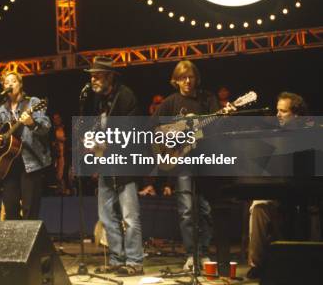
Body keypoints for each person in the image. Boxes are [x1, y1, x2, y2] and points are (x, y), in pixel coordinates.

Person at [153, 60, 231, 271]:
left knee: (205, 209)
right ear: (175, 80)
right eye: (182, 77)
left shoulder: (208, 99)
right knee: (186, 211)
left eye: (191, 77)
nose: (187, 81)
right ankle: (190, 255)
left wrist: (222, 117)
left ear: (196, 78)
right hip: (182, 162)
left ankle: (203, 252)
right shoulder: (170, 102)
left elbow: (216, 128)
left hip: (205, 161)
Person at [85, 56, 145, 276]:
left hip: (125, 164)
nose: (93, 79)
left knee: (129, 216)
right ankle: (117, 259)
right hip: (106, 165)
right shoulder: (98, 100)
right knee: (107, 216)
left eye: (97, 75)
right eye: (92, 76)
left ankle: (135, 261)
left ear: (110, 76)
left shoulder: (126, 96)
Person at [247, 92, 309, 279]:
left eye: (283, 111)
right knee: (258, 205)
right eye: (277, 111)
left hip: (304, 193)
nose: (278, 115)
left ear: (296, 114)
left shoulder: (309, 135)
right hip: (275, 191)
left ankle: (305, 263)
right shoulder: (271, 136)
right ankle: (257, 265)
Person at [0, 71, 52, 220]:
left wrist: (32, 123)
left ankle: (31, 243)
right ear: (3, 87)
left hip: (31, 162)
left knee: (30, 210)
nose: (10, 84)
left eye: (13, 81)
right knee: (10, 208)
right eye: (6, 82)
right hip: (8, 165)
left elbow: (46, 126)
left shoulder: (33, 103)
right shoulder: (1, 109)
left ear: (20, 84)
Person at [51, 113, 69, 194]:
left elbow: (70, 140)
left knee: (64, 172)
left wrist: (63, 139)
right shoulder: (52, 130)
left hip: (65, 154)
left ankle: (66, 189)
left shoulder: (66, 129)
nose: (56, 120)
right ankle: (58, 189)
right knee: (57, 173)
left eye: (58, 118)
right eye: (54, 119)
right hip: (56, 155)